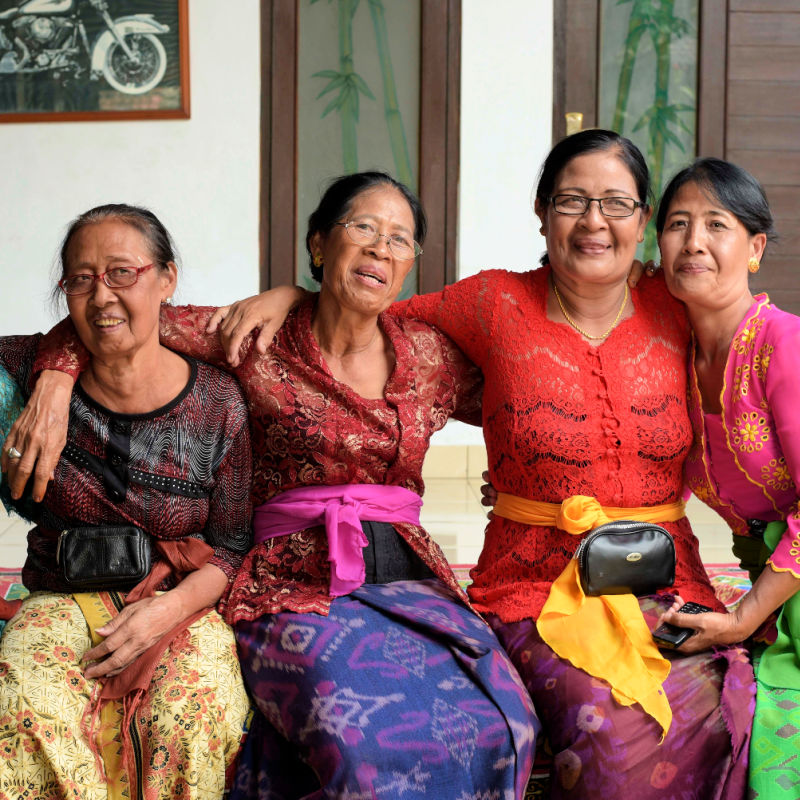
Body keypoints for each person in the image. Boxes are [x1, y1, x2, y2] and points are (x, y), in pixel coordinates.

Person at [173, 131, 758, 798]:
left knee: (726, 714)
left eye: (616, 203)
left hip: (665, 572)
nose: (595, 221)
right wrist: (287, 296)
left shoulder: (678, 305)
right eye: (572, 200)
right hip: (534, 582)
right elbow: (367, 310)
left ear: (642, 220)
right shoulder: (491, 303)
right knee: (614, 738)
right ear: (541, 213)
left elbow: (756, 376)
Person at [10, 174, 539, 799]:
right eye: (363, 228)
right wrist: (54, 381)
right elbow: (118, 316)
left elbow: (529, 402)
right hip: (293, 583)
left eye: (400, 239)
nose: (380, 248)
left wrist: (518, 482)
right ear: (318, 244)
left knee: (507, 722)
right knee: (364, 740)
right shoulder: (251, 335)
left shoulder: (431, 355)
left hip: (409, 576)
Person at [0, 204, 253, 800]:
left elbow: (234, 544)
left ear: (166, 278)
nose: (102, 296)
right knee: (23, 702)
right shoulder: (23, 378)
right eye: (81, 279)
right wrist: (55, 379)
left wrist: (167, 612)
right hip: (58, 595)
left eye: (122, 273)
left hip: (180, 602)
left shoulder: (220, 403)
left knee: (193, 713)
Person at [653, 157, 799, 797]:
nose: (694, 243)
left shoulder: (783, 345)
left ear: (755, 248)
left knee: (775, 728)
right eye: (678, 224)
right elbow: (649, 473)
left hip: (780, 582)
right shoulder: (670, 355)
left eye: (717, 224)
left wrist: (744, 618)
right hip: (773, 582)